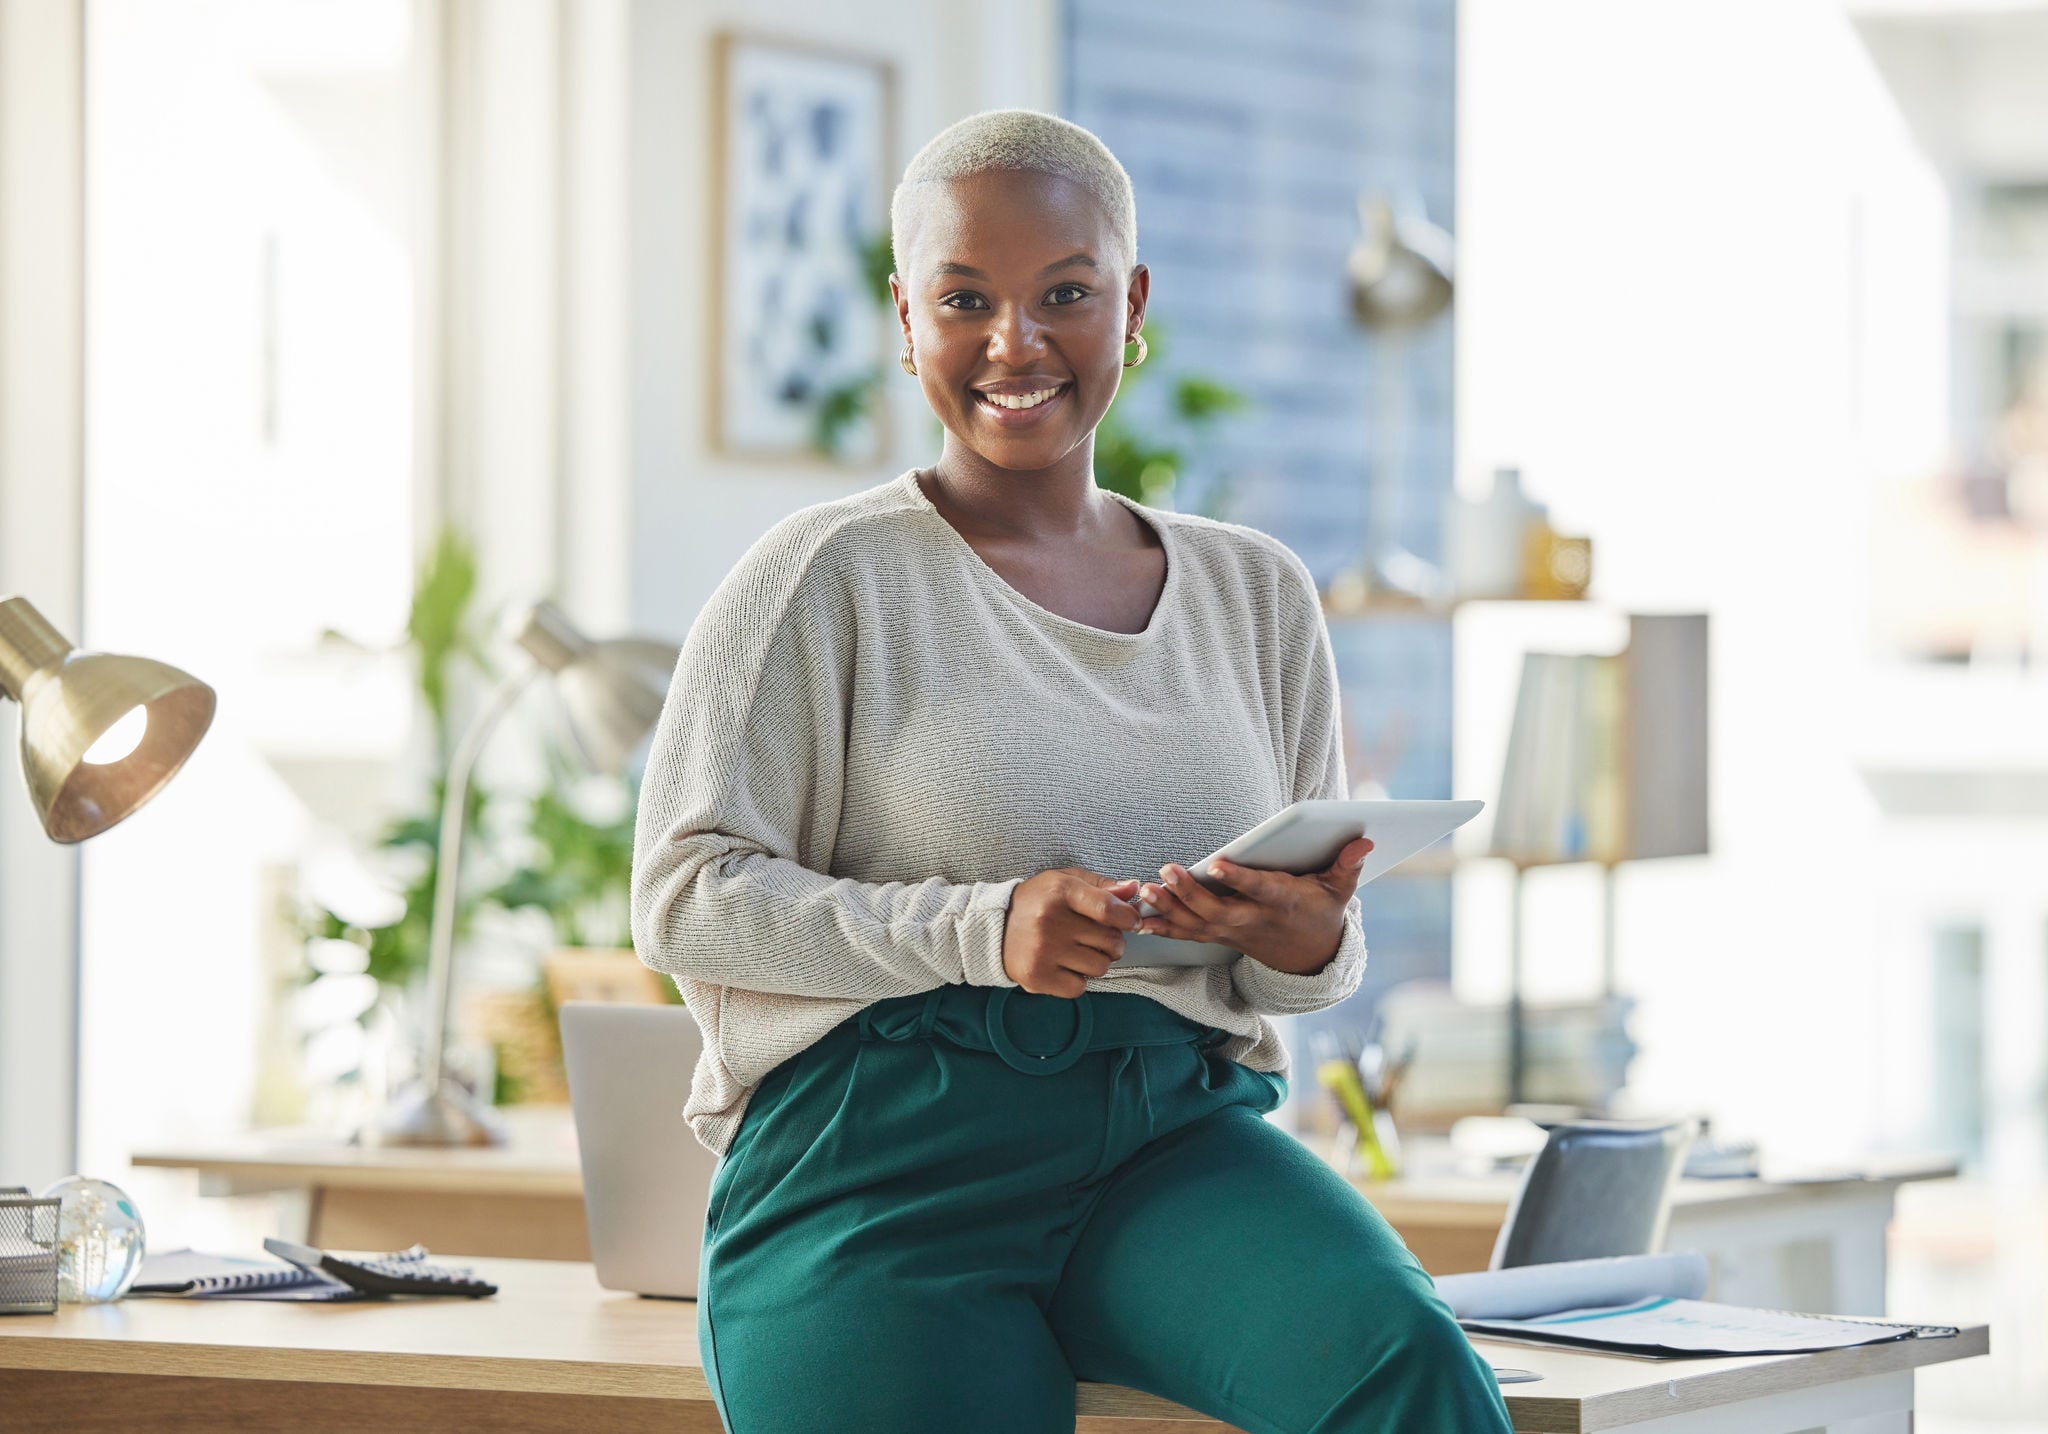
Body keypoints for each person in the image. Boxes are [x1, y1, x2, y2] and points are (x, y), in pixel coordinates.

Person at [630, 107, 1514, 1434]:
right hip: (879, 1158)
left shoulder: (1256, 591)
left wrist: (1304, 932)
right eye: (964, 299)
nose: (1015, 342)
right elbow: (684, 896)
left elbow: (1297, 961)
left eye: (1066, 294)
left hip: (1171, 1137)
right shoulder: (827, 577)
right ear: (905, 317)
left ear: (1133, 304)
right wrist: (982, 927)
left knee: (1406, 1373)